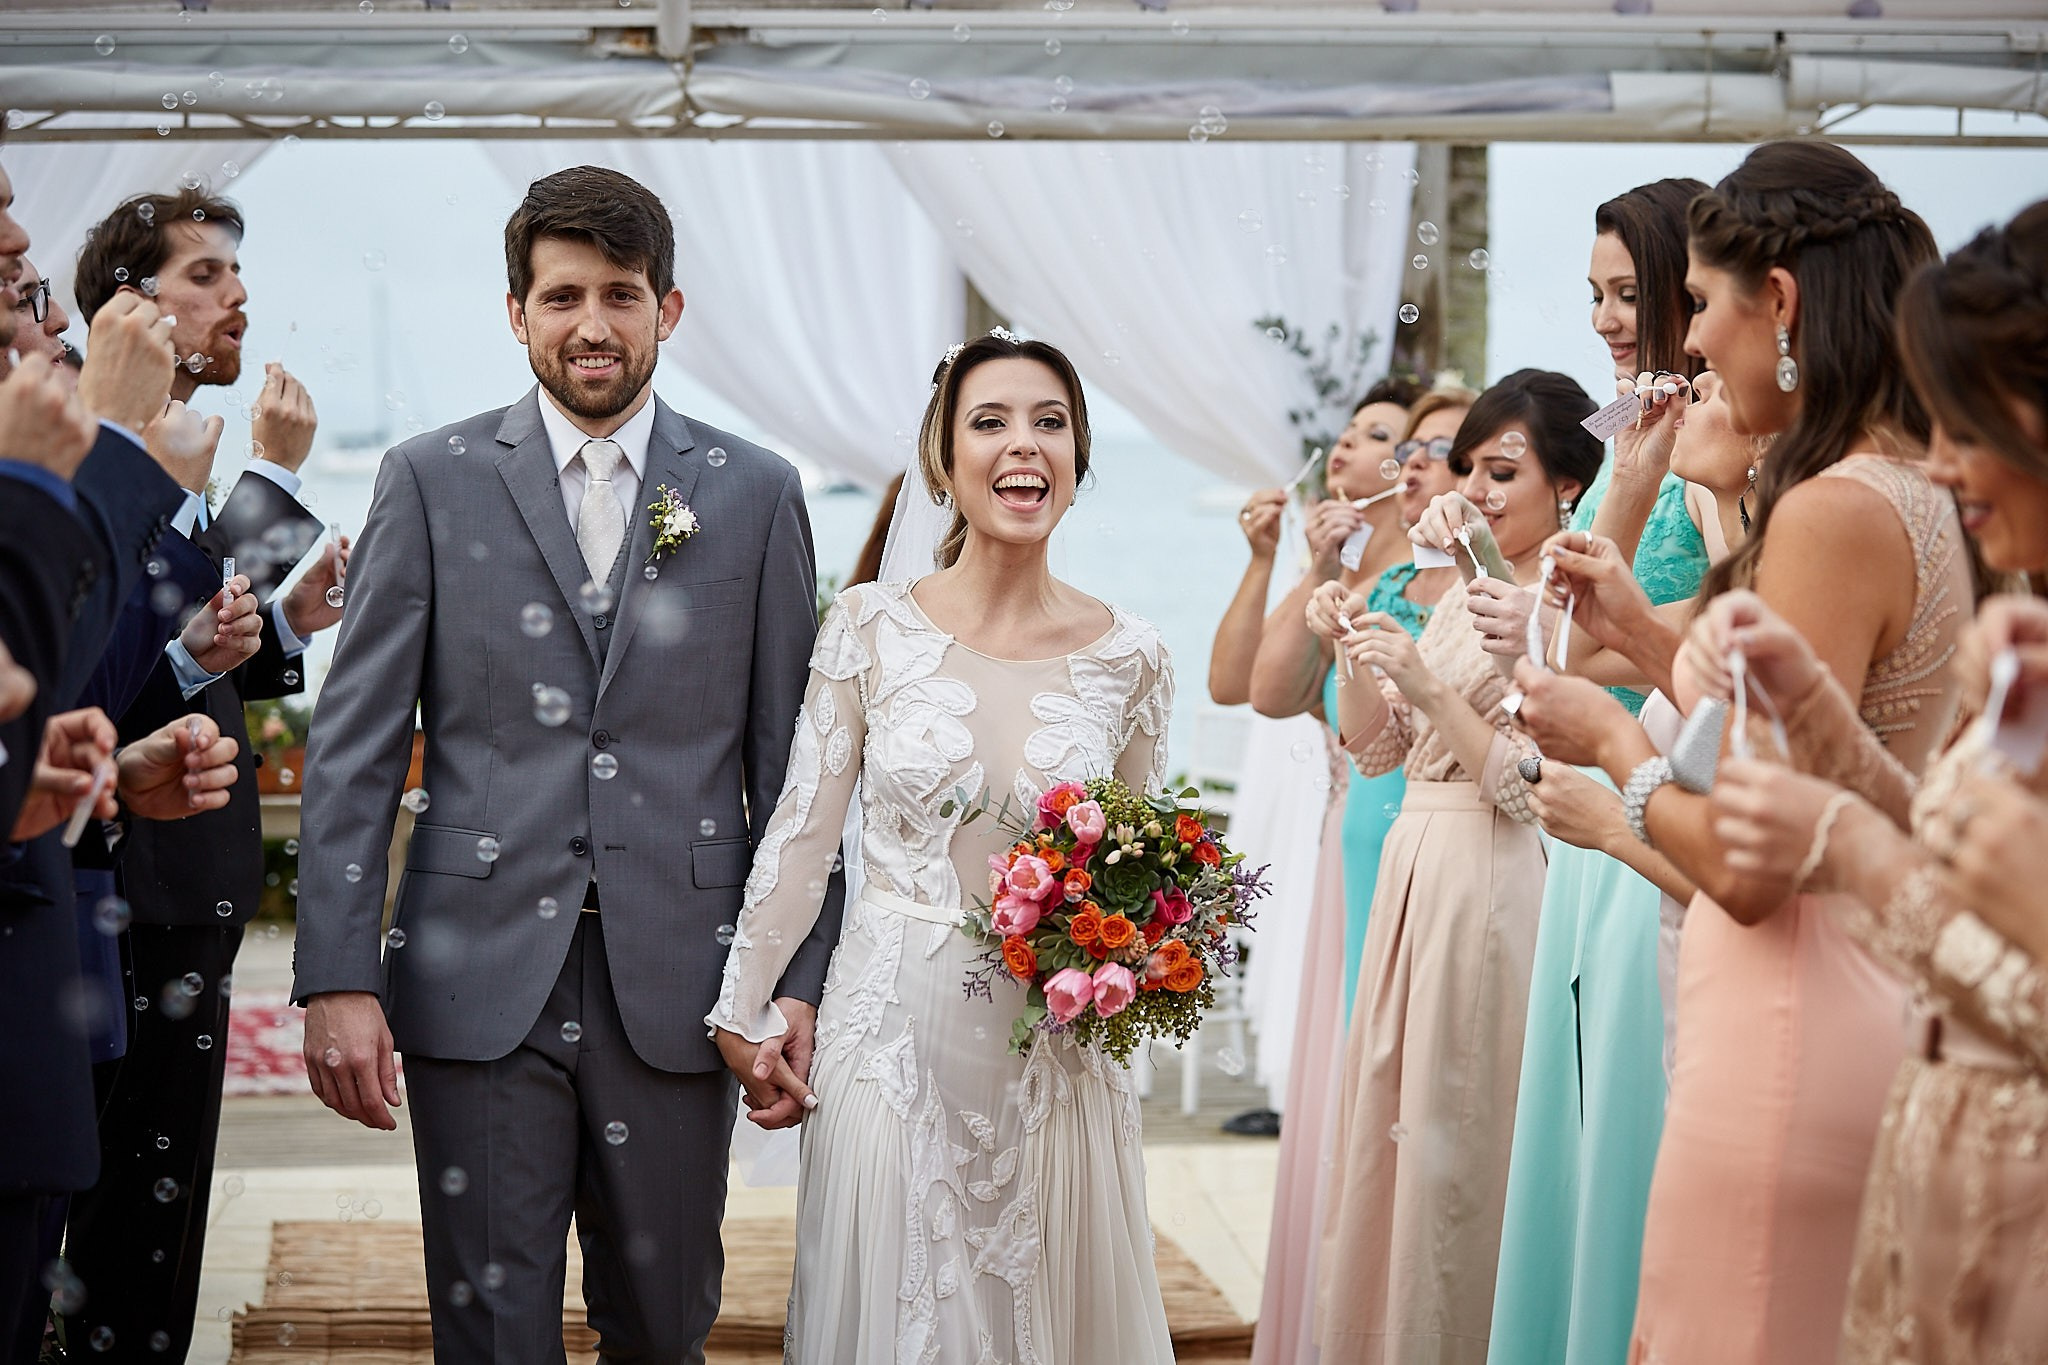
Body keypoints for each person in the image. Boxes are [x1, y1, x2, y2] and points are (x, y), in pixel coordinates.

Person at [291, 165, 842, 1361]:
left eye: (622, 295)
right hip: (476, 978)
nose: (592, 323)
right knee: (489, 1329)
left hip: (684, 984)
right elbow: (356, 747)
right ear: (516, 312)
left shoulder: (753, 495)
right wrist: (337, 973)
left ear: (669, 311)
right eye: (563, 296)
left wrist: (795, 978)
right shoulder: (429, 480)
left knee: (665, 1320)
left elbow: (800, 774)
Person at [1512, 141, 1966, 1364]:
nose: (1691, 345)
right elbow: (1836, 743)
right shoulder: (1913, 485)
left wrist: (1611, 743)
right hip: (1860, 991)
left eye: (1702, 307)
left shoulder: (1827, 512)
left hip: (1788, 1013)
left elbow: (1759, 865)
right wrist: (1648, 644)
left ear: (1779, 303)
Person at [707, 330, 1177, 1364]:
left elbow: (1144, 881)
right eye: (991, 422)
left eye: (1050, 423)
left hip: (1054, 1057)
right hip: (891, 1043)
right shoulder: (870, 626)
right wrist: (740, 1008)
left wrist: (1134, 958)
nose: (1025, 446)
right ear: (943, 459)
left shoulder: (1132, 655)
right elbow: (801, 836)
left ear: (1078, 456)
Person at [1697, 198, 2048, 1362]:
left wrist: (1844, 845)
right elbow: (1964, 871)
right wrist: (1822, 723)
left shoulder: (1838, 507)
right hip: (1932, 1142)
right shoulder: (2022, 615)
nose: (1940, 461)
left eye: (1963, 421)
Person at [1311, 368, 1601, 1363]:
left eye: (1502, 469)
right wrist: (1355, 647)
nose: (1476, 488)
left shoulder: (1556, 613)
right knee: (1388, 1139)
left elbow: (1527, 795)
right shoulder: (1459, 596)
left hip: (1487, 879)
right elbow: (1374, 751)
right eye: (1469, 466)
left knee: (1458, 1146)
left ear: (1567, 484)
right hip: (1412, 870)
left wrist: (1431, 690)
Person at [1486, 178, 1714, 1365]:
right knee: (1580, 1128)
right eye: (1592, 295)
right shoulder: (1656, 443)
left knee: (1637, 1118)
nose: (1605, 320)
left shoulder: (1731, 460)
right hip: (1593, 821)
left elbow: (1576, 637)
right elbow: (1566, 640)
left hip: (1664, 815)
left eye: (1629, 293)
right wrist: (1632, 455)